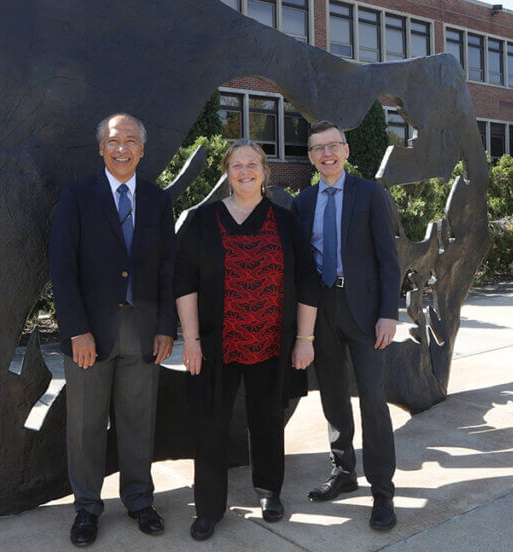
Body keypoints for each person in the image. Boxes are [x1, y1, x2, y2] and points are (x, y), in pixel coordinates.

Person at [174, 139, 318, 541]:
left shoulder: (285, 221)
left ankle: (269, 491)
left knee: (268, 421)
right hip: (216, 345)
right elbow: (183, 280)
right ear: (227, 171)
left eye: (252, 164)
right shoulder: (203, 220)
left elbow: (307, 279)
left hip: (273, 344)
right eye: (236, 165)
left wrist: (304, 338)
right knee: (210, 426)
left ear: (264, 170)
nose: (245, 171)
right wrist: (191, 339)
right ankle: (208, 509)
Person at [49, 113, 175, 547]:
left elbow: (167, 270)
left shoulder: (158, 201)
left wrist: (165, 328)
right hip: (90, 334)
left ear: (142, 150)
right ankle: (86, 508)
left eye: (131, 141)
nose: (122, 148)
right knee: (85, 425)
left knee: (138, 421)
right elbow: (62, 270)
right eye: (114, 141)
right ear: (101, 148)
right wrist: (76, 330)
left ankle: (140, 501)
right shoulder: (77, 197)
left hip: (142, 332)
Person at [290, 120, 401, 531]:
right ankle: (343, 472)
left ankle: (383, 492)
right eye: (318, 148)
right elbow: (303, 266)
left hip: (367, 312)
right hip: (323, 309)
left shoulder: (370, 194)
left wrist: (389, 313)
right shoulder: (302, 203)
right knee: (333, 397)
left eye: (333, 145)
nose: (326, 153)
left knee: (372, 399)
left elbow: (389, 260)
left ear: (346, 150)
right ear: (310, 157)